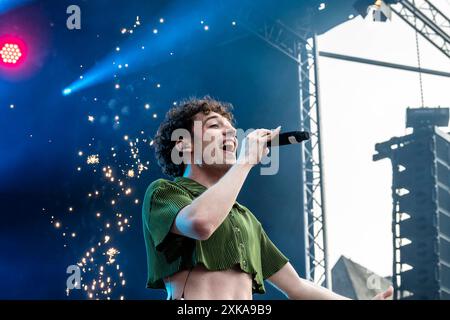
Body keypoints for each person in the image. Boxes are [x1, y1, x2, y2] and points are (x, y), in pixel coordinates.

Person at [142, 96, 393, 300]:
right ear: (183, 145)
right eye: (215, 126)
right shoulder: (165, 192)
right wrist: (246, 161)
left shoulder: (244, 218)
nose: (231, 135)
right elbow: (201, 223)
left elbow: (297, 287)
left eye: (232, 131)